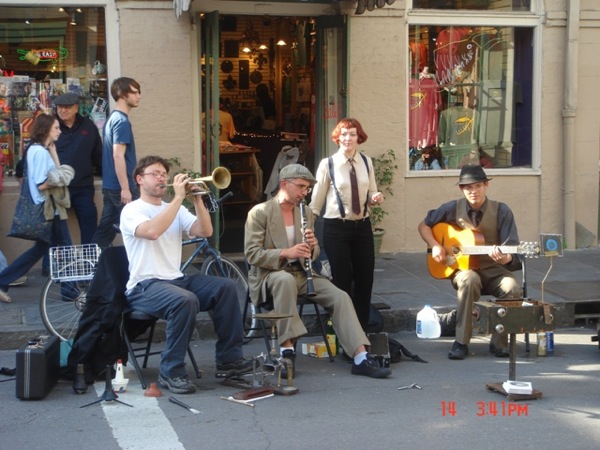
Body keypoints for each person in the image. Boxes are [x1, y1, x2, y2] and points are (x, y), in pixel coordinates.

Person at [120, 155, 253, 394]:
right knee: (184, 299)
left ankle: (229, 361)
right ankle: (171, 372)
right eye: (155, 173)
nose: (162, 178)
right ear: (139, 179)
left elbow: (205, 230)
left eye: (164, 174)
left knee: (226, 287)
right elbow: (151, 232)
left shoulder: (177, 209)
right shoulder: (132, 210)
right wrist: (179, 197)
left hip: (175, 279)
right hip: (144, 285)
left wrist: (197, 201)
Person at [245, 164, 391, 378]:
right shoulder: (259, 213)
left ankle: (360, 358)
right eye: (301, 187)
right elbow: (252, 254)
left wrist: (312, 246)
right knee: (284, 280)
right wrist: (287, 252)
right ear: (284, 184)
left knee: (340, 296)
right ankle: (286, 352)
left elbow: (314, 253)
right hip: (270, 275)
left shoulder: (304, 212)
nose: (305, 192)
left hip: (302, 274)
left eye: (308, 188)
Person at [417, 165, 522, 360]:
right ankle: (461, 342)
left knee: (513, 287)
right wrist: (435, 245)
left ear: (486, 185)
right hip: (463, 268)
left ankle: (500, 342)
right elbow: (424, 225)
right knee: (469, 280)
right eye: (468, 187)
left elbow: (513, 252)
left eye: (477, 186)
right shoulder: (451, 209)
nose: (473, 191)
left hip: (493, 268)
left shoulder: (502, 211)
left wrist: (506, 258)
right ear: (462, 189)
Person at [310, 118, 384, 329]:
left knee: (364, 280)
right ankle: (343, 329)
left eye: (352, 134)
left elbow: (371, 193)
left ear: (358, 137)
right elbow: (316, 203)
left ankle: (360, 330)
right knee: (341, 282)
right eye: (343, 134)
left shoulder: (367, 162)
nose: (348, 138)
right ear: (337, 138)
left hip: (362, 227)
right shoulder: (328, 164)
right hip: (336, 228)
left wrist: (375, 197)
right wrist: (308, 229)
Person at [0, 114, 72, 303]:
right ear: (46, 129)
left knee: (42, 249)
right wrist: (62, 178)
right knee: (65, 249)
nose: (59, 131)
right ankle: (70, 291)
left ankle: (2, 281)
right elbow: (42, 183)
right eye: (56, 128)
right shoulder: (39, 152)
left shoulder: (35, 149)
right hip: (49, 209)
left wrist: (54, 153)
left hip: (48, 208)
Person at [92, 77, 141, 248]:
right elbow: (118, 156)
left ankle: (93, 268)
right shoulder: (121, 121)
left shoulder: (113, 118)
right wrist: (126, 188)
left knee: (104, 232)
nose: (139, 96)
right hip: (120, 188)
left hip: (111, 187)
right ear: (121, 94)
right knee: (139, 231)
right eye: (134, 92)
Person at [54, 92, 102, 244]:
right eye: (60, 107)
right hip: (57, 188)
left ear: (76, 108)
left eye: (67, 107)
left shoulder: (88, 126)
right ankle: (50, 267)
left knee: (90, 227)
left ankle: (91, 265)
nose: (62, 111)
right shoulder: (52, 126)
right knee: (54, 231)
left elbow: (98, 154)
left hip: (83, 187)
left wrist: (105, 174)